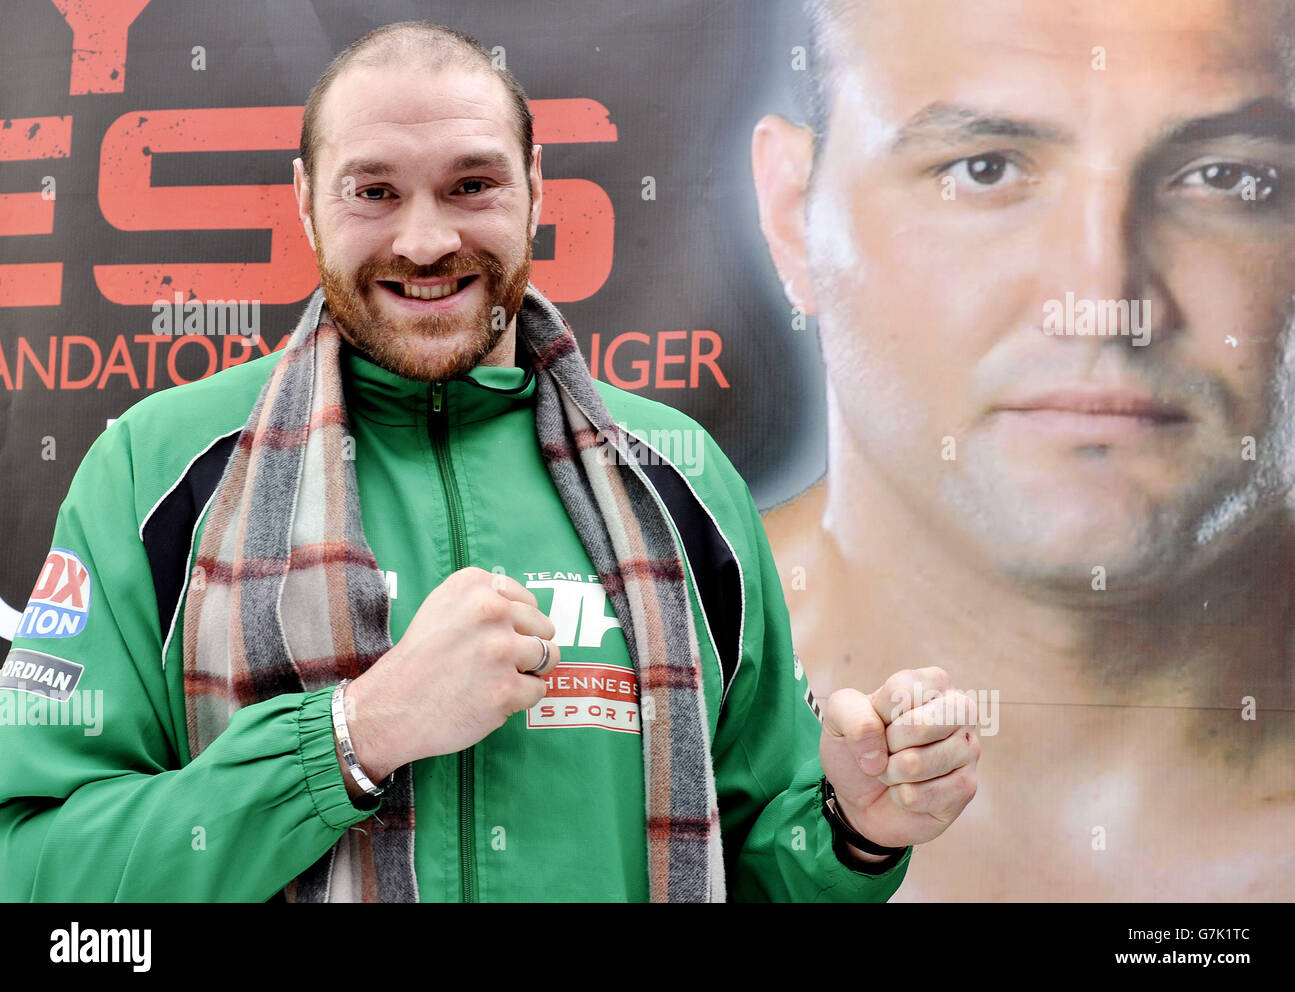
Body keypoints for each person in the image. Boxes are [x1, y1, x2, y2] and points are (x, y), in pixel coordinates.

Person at [0, 20, 978, 902]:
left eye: (471, 185)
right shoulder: (157, 471)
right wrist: (351, 737)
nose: (426, 240)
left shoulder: (682, 483)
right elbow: (36, 867)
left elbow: (753, 866)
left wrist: (848, 825)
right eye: (374, 192)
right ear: (305, 203)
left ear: (535, 189)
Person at [753, 0, 1295, 899]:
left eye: (1224, 178)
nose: (1104, 297)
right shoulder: (638, 706)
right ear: (791, 218)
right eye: (985, 168)